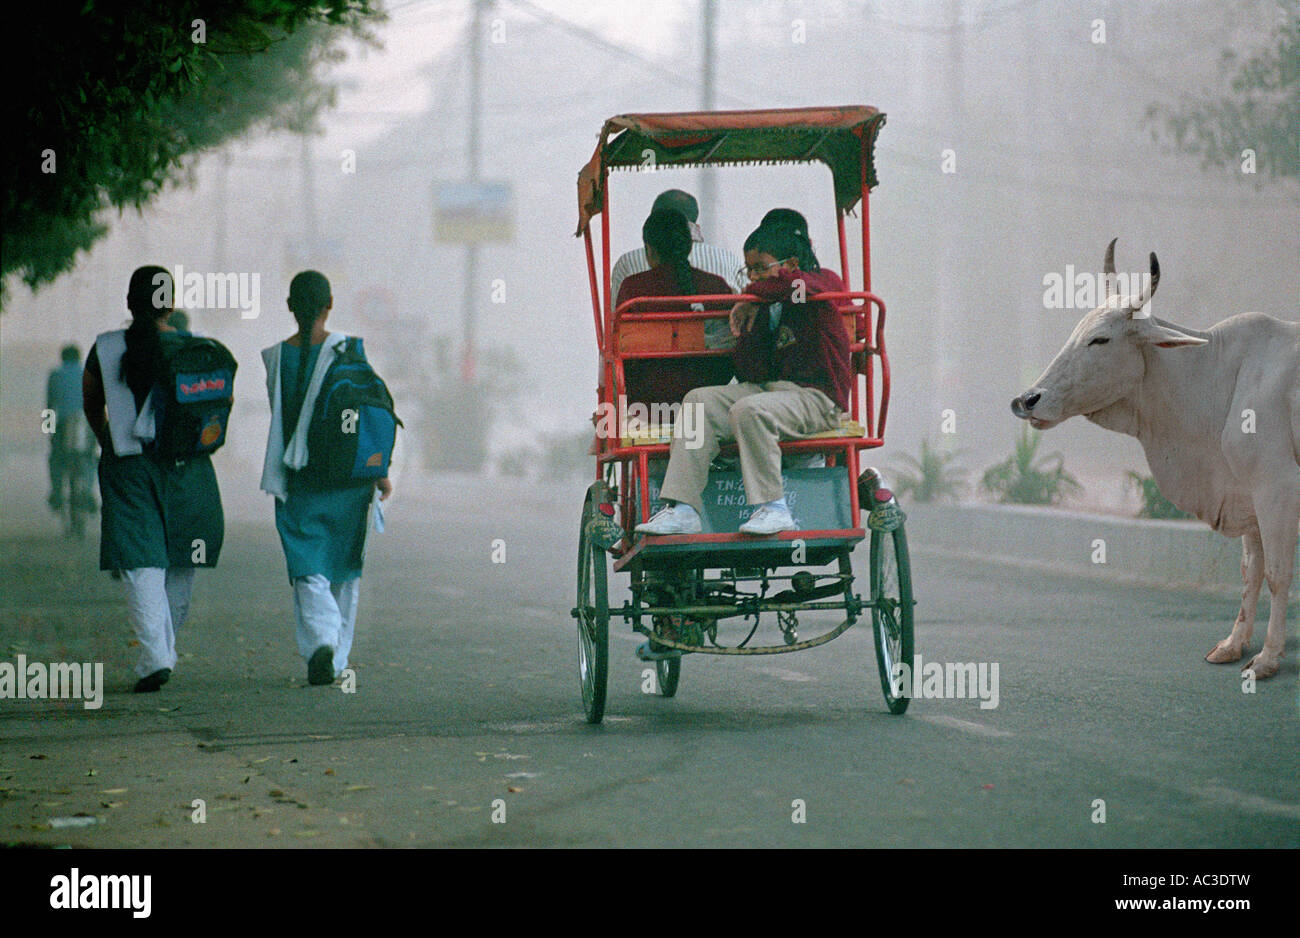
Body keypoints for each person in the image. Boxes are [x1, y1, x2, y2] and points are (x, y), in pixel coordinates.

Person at [635, 221, 851, 536]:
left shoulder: (815, 288)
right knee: (698, 401)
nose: (752, 278)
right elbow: (753, 373)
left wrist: (751, 297)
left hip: (816, 398)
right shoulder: (763, 304)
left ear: (790, 265)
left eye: (760, 269)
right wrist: (750, 330)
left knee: (750, 410)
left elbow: (797, 287)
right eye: (748, 271)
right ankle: (683, 508)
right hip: (771, 392)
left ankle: (774, 507)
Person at [82, 266, 225, 692]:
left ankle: (156, 656)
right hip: (187, 466)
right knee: (181, 558)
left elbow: (92, 402)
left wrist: (108, 439)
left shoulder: (105, 348)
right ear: (172, 305)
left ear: (129, 303)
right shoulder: (197, 349)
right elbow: (221, 403)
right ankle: (163, 649)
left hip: (127, 464)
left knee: (141, 561)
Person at [260, 271, 392, 686]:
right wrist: (380, 473)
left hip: (301, 478)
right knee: (344, 570)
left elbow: (280, 417)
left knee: (307, 567)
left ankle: (321, 638)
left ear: (289, 306)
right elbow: (371, 412)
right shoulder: (350, 351)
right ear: (329, 304)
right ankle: (334, 656)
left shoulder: (275, 357)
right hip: (351, 481)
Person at [616, 208, 736, 407]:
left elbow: (621, 353)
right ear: (689, 247)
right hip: (707, 399)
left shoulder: (633, 288)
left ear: (650, 250)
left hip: (648, 404)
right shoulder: (716, 286)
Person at [610, 189, 742, 301]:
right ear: (689, 245)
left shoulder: (629, 274)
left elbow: (614, 322)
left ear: (650, 249)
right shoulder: (726, 266)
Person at [47, 343, 97, 516]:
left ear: (62, 358)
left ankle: (57, 493)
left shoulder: (55, 375)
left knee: (55, 459)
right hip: (86, 424)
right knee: (90, 458)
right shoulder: (89, 373)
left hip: (62, 425)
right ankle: (89, 492)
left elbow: (49, 406)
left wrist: (49, 432)